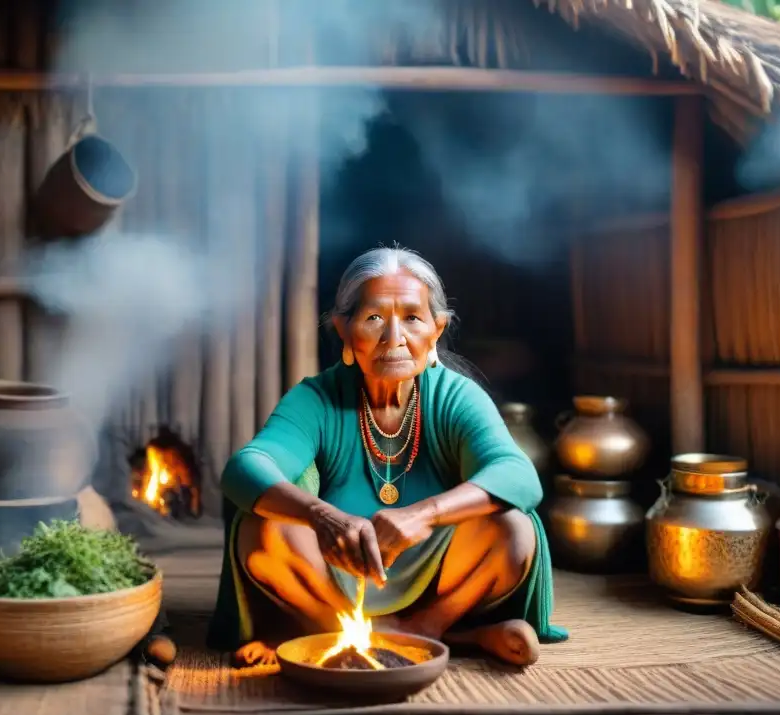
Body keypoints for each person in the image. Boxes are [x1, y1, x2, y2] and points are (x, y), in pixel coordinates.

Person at [207, 246, 567, 666]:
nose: (394, 337)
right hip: (335, 572)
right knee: (264, 529)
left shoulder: (456, 396)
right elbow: (245, 469)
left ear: (437, 328)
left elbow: (518, 475)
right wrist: (324, 517)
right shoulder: (316, 398)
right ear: (343, 329)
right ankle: (449, 637)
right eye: (374, 318)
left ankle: (419, 630)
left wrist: (424, 515)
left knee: (512, 528)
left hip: (438, 571)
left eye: (413, 318)